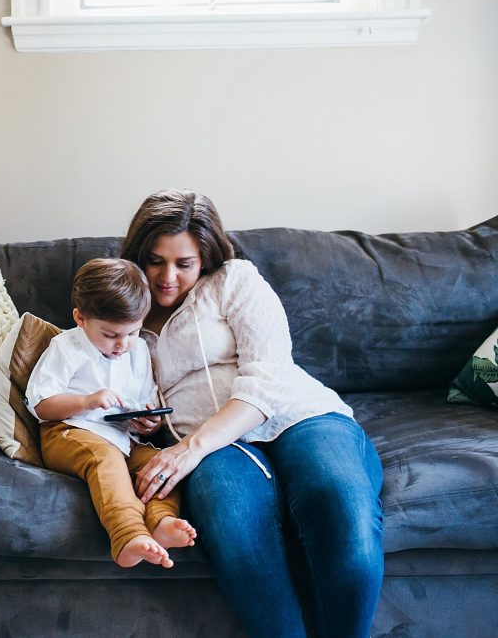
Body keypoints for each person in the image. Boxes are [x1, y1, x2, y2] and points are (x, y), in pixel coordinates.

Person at [120, 190, 384, 637]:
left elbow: (268, 376)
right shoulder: (122, 309)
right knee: (236, 531)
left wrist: (189, 449)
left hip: (300, 417)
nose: (167, 278)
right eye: (154, 261)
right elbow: (111, 384)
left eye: (183, 264)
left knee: (340, 507)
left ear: (205, 257)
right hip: (212, 448)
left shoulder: (235, 280)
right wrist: (140, 417)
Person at [26, 258, 197, 569]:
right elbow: (41, 405)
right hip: (68, 432)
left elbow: (141, 402)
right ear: (80, 318)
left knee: (161, 464)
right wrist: (86, 401)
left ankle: (161, 521)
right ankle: (127, 535)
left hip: (122, 438)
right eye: (110, 335)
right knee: (105, 459)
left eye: (132, 332)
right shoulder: (65, 348)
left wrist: (146, 422)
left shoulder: (139, 351)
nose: (122, 344)